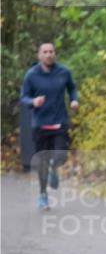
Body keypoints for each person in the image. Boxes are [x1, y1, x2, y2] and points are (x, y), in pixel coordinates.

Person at [20, 42, 78, 210]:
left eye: (51, 51)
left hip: (60, 121)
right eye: (45, 52)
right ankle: (43, 195)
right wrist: (33, 102)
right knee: (42, 162)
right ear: (39, 55)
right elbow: (24, 97)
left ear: (55, 54)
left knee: (61, 156)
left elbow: (72, 89)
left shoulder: (64, 72)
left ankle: (55, 168)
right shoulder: (31, 75)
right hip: (40, 124)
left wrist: (74, 99)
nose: (48, 54)